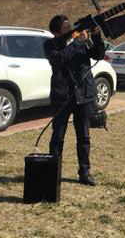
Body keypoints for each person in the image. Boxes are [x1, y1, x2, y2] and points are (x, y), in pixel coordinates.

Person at [43, 14, 106, 186]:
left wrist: (96, 35)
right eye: (65, 28)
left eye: (70, 26)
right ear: (56, 32)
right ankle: (53, 173)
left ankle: (84, 172)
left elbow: (99, 54)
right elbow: (60, 58)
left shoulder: (81, 41)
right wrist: (78, 41)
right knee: (58, 137)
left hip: (84, 94)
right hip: (61, 96)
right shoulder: (49, 45)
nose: (70, 30)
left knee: (84, 137)